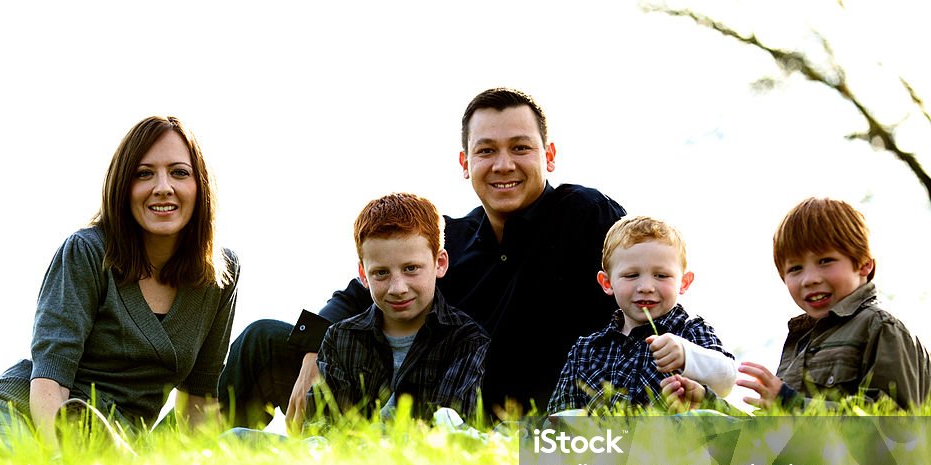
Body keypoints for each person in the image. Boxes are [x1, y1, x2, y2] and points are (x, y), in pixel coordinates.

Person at [220, 87, 626, 428]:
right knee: (264, 342)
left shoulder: (584, 213)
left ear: (548, 155)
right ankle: (187, 457)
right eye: (486, 150)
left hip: (518, 419)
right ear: (466, 163)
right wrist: (315, 345)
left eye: (520, 148)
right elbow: (361, 292)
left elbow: (641, 285)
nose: (504, 164)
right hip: (413, 396)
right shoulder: (451, 238)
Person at [0, 116, 240, 452]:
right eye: (144, 173)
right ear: (123, 187)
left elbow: (199, 401)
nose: (163, 186)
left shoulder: (219, 274)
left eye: (179, 172)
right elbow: (50, 380)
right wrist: (60, 464)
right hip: (19, 415)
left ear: (200, 185)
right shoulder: (87, 252)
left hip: (117, 442)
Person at [668, 197, 931, 412]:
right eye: (795, 269)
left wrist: (791, 403)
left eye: (825, 261)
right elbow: (772, 436)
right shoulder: (802, 339)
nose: (810, 279)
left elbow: (898, 428)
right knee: (696, 423)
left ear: (864, 264)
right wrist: (710, 403)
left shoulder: (881, 327)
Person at [305, 193, 489, 424]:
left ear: (439, 263)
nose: (398, 288)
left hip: (420, 457)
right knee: (243, 437)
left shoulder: (466, 341)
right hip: (344, 458)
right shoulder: (339, 338)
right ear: (363, 275)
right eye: (381, 273)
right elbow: (320, 428)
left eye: (411, 268)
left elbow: (448, 429)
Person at [546, 216, 736, 413]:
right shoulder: (585, 351)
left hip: (671, 442)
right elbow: (558, 416)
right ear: (607, 283)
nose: (646, 287)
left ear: (684, 282)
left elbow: (727, 380)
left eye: (661, 276)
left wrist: (687, 355)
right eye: (631, 275)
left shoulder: (690, 331)